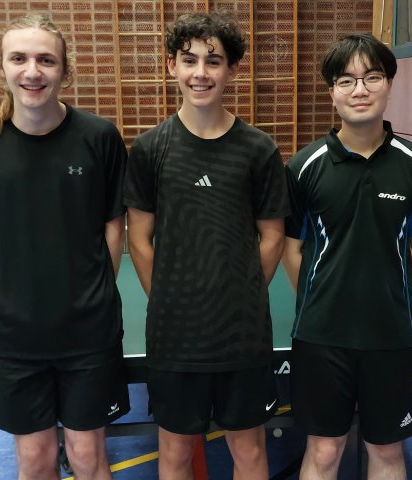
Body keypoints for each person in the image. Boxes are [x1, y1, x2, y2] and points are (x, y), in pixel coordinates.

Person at [0, 13, 129, 480]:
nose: (32, 71)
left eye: (46, 60)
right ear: (1, 67)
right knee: (34, 460)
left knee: (87, 456)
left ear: (64, 70)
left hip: (88, 332)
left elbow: (114, 226)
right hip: (16, 335)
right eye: (19, 58)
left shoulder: (99, 138)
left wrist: (93, 295)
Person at [123, 11, 290, 480]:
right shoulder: (150, 148)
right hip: (174, 337)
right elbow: (139, 238)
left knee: (250, 453)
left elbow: (273, 235)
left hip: (242, 335)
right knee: (175, 454)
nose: (201, 73)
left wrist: (241, 293)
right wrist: (170, 299)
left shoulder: (258, 149)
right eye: (189, 60)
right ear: (171, 66)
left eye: (213, 61)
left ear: (232, 70)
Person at [282, 33, 412, 479]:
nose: (359, 90)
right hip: (321, 337)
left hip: (389, 336)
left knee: (387, 451)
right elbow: (291, 248)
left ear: (389, 84)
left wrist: (384, 293)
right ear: (332, 92)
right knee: (323, 452)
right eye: (346, 80)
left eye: (371, 77)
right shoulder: (304, 166)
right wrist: (323, 299)